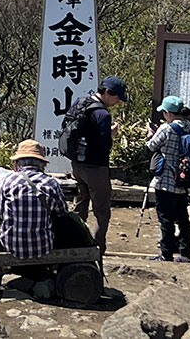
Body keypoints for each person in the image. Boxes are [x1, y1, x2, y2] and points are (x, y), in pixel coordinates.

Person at [67, 75, 127, 255]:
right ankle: (96, 249)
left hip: (77, 165)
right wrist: (111, 134)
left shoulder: (80, 102)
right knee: (101, 211)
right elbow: (104, 145)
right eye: (117, 97)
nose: (118, 102)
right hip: (96, 168)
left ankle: (74, 241)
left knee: (81, 205)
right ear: (108, 92)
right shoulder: (103, 114)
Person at [146, 95, 190, 262]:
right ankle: (185, 254)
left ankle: (166, 253)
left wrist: (150, 134)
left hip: (165, 181)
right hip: (184, 181)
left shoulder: (166, 129)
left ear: (168, 113)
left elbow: (151, 146)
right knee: (183, 218)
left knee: (165, 219)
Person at [0, 140, 68, 259]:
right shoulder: (51, 183)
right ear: (42, 164)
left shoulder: (7, 181)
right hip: (43, 246)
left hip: (11, 245)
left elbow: (0, 213)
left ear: (17, 163)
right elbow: (62, 211)